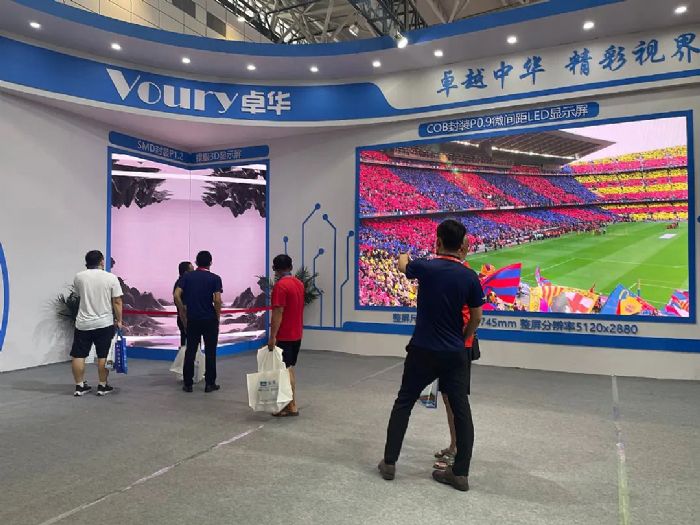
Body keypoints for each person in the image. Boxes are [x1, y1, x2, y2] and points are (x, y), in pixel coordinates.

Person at [378, 219, 484, 492]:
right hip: (454, 352)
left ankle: (389, 462)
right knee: (461, 410)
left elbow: (403, 265)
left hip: (423, 349)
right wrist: (462, 338)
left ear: (437, 242)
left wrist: (403, 251)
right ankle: (460, 473)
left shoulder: (426, 267)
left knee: (404, 403)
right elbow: (476, 317)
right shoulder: (469, 276)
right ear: (462, 246)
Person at [435, 245, 477, 470]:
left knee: (455, 401)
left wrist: (461, 342)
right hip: (452, 345)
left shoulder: (461, 274)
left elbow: (473, 316)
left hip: (456, 347)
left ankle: (458, 452)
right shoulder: (461, 272)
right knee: (449, 398)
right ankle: (454, 446)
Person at [70, 250, 123, 397]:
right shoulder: (111, 278)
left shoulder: (79, 277)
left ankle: (80, 386)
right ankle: (102, 385)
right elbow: (117, 301)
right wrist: (119, 320)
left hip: (83, 323)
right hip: (104, 323)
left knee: (78, 354)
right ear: (102, 261)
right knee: (103, 355)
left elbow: (79, 295)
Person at [174, 251, 222, 393]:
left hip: (192, 319)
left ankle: (188, 383)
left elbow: (176, 295)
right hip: (209, 319)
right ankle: (210, 383)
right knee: (211, 351)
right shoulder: (215, 278)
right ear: (210, 262)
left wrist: (182, 310)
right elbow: (217, 300)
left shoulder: (187, 277)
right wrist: (217, 317)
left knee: (191, 350)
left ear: (196, 262)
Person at [267, 254, 305, 417]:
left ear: (275, 269)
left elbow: (278, 312)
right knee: (289, 368)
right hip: (297, 333)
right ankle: (289, 404)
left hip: (284, 335)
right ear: (290, 267)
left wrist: (272, 336)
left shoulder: (280, 287)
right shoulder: (299, 284)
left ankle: (291, 405)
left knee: (284, 370)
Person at [174, 261, 194, 348]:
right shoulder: (182, 284)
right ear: (186, 272)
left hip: (185, 317)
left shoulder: (181, 283)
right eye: (192, 269)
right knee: (188, 344)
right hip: (186, 318)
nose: (194, 272)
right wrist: (183, 312)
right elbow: (177, 298)